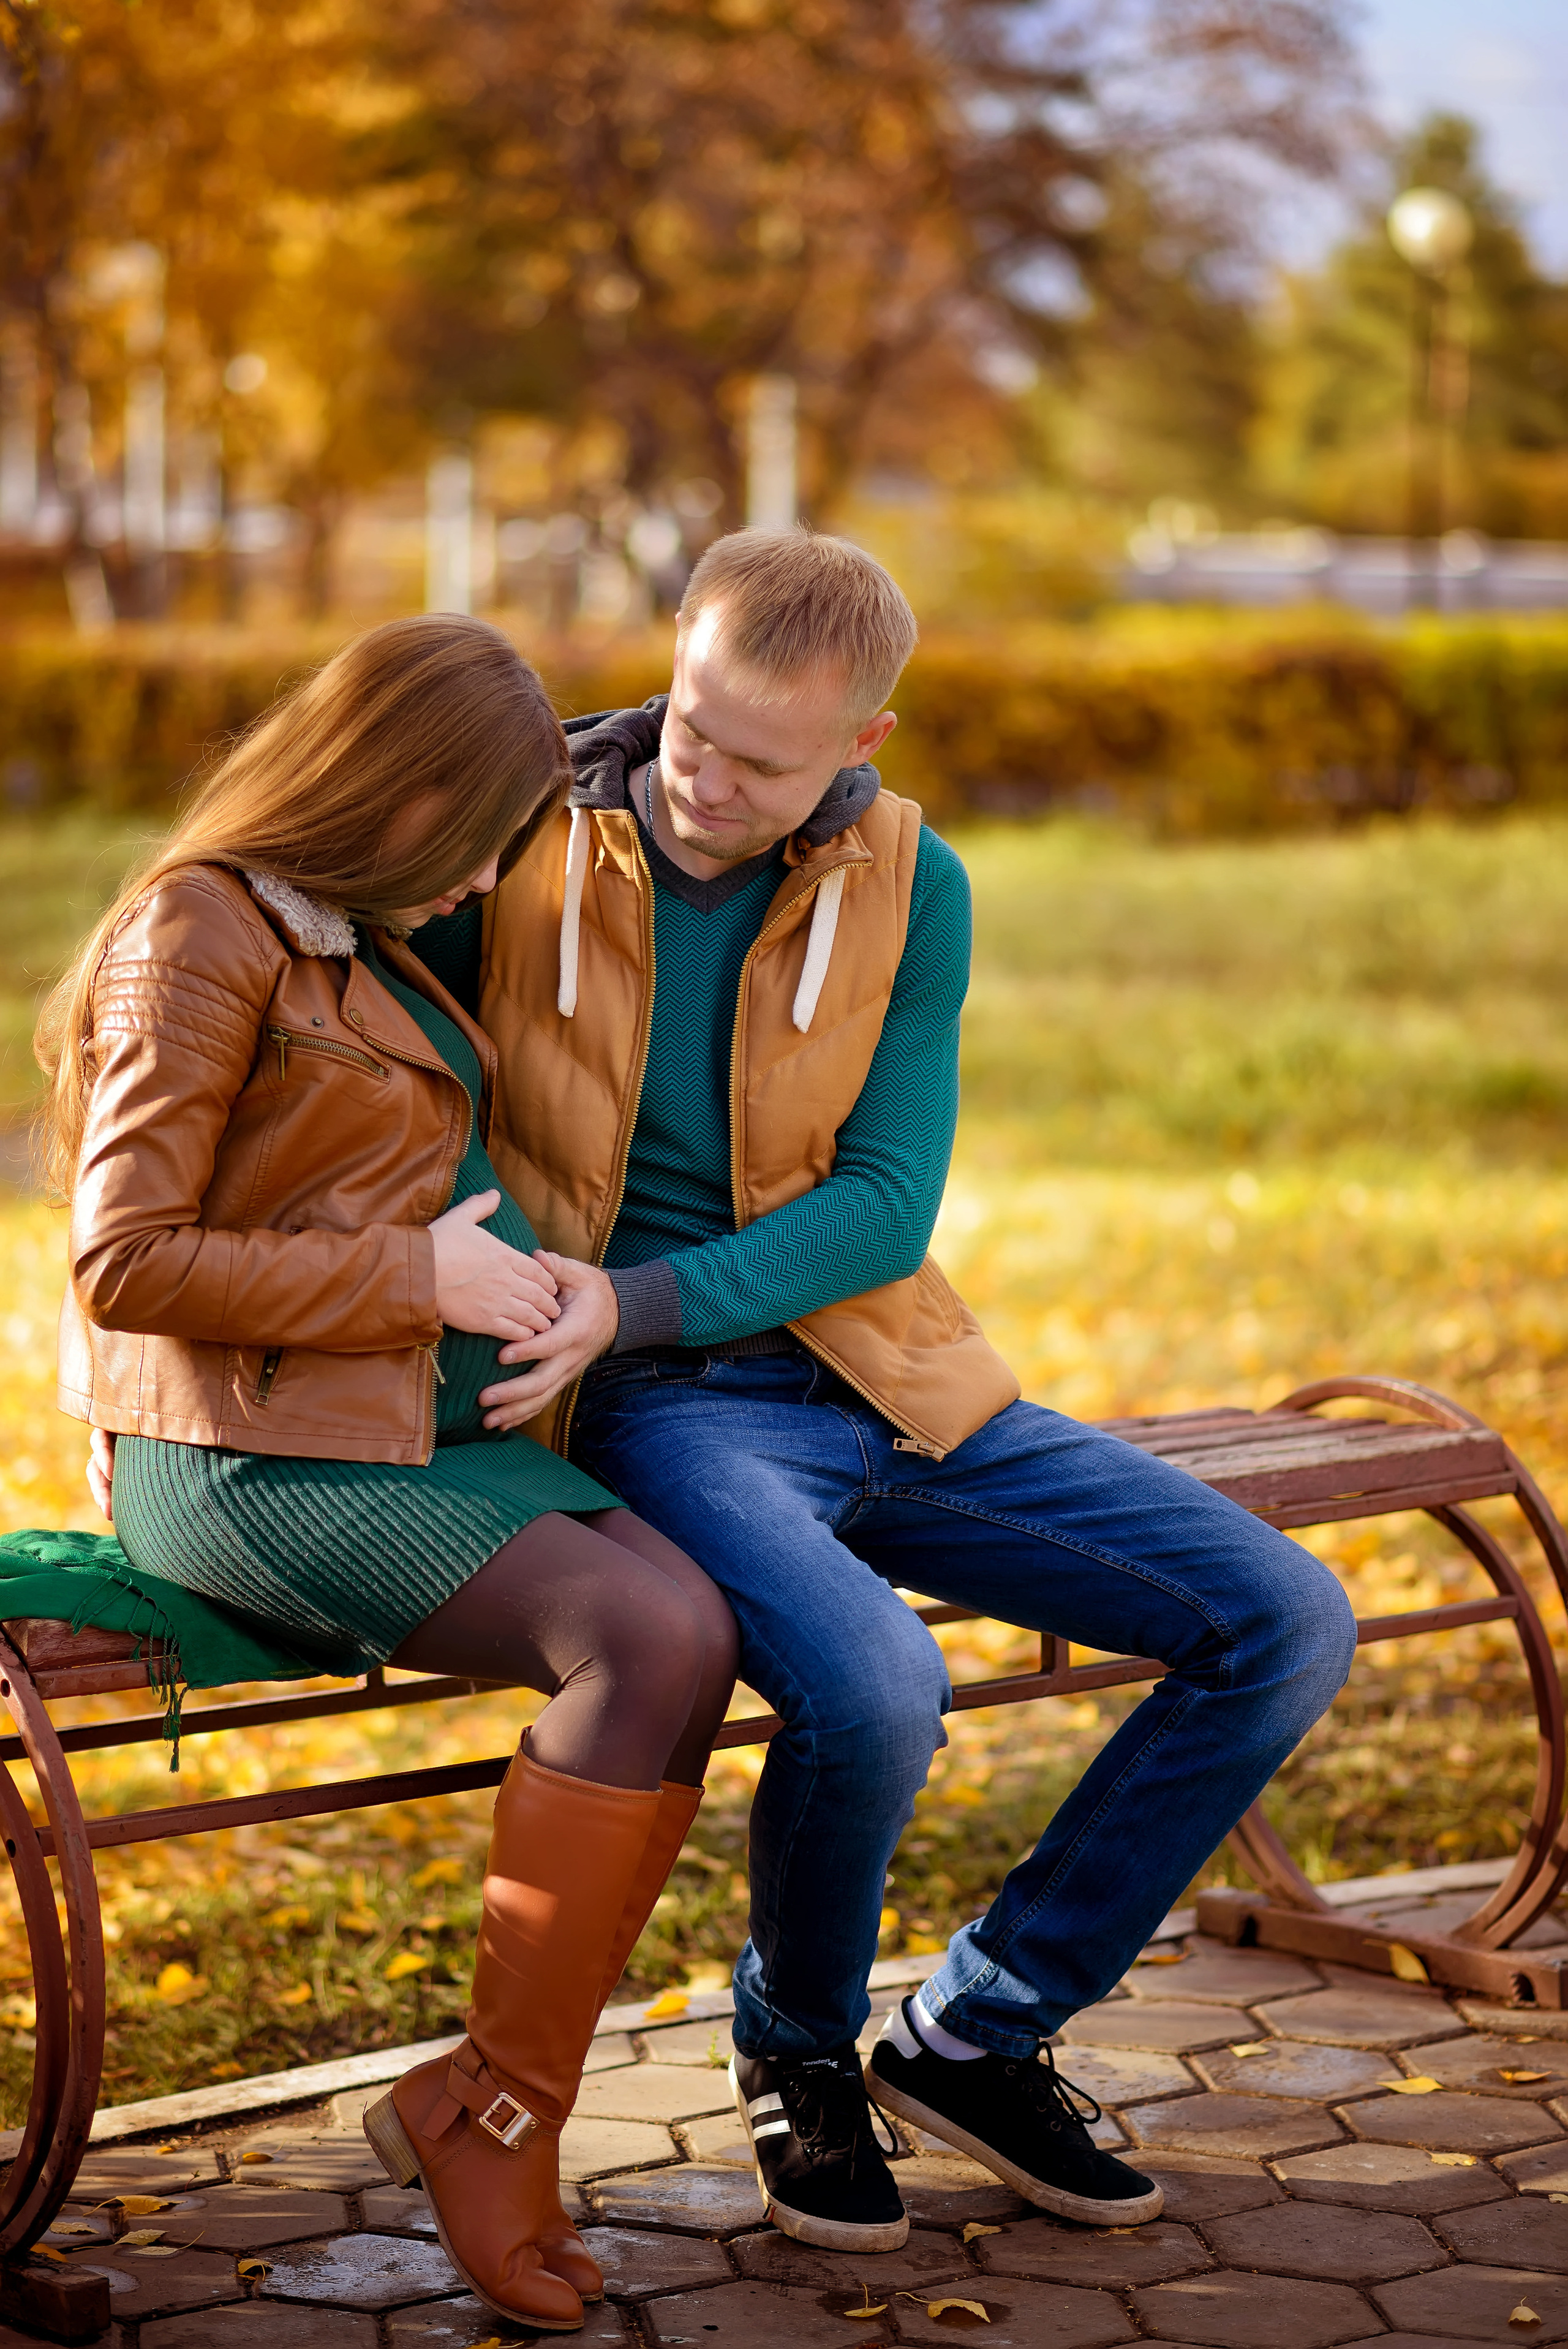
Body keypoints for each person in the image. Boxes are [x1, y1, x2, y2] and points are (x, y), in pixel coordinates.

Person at [392, 528, 1360, 2252]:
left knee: (1281, 1617)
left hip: (883, 1370)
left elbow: (885, 1204)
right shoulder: (525, 831)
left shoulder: (920, 881)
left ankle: (981, 2031)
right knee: (873, 1679)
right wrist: (563, 1297)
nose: (704, 777)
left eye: (763, 758)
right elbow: (419, 1090)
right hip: (653, 1397)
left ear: (865, 743)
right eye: (692, 724)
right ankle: (799, 2046)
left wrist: (645, 1288)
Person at [49, 615, 738, 2336]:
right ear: (393, 789)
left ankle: (487, 2097)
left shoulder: (374, 925)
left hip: (409, 1436)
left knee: (700, 1633)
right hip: (235, 1454)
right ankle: (500, 2118)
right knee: (647, 1642)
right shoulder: (196, 933)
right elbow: (126, 1258)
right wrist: (417, 1281)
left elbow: (614, 804)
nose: (486, 870)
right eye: (474, 827)